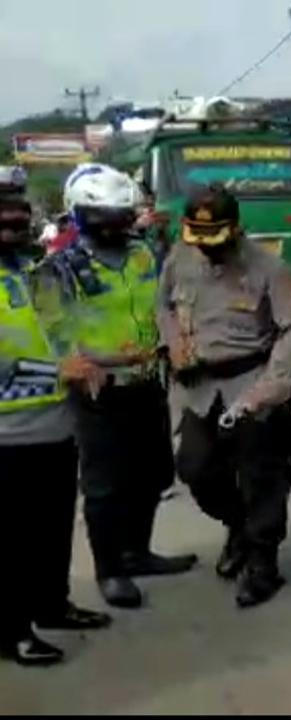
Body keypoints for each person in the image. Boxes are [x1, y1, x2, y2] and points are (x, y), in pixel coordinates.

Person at [36, 163, 196, 610]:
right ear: (83, 215)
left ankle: (137, 551)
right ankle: (111, 570)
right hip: (98, 391)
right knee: (106, 485)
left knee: (152, 473)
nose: (118, 223)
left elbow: (164, 304)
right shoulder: (59, 270)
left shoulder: (143, 254)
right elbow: (55, 337)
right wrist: (97, 362)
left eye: (122, 214)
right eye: (107, 215)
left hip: (147, 381)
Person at [159, 185, 291, 609]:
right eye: (199, 239)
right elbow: (163, 307)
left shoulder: (268, 266)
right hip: (201, 387)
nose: (207, 250)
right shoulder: (180, 258)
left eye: (216, 240)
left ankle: (263, 563)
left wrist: (272, 385)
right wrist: (174, 344)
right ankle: (238, 525)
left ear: (236, 229)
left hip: (253, 379)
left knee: (263, 477)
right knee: (195, 468)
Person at [0, 192, 111, 667]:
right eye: (3, 219)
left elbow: (62, 330)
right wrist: (56, 373)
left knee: (53, 529)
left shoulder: (35, 273)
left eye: (21, 216)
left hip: (57, 427)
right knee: (10, 542)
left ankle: (51, 605)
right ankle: (10, 631)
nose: (15, 225)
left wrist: (88, 362)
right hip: (7, 437)